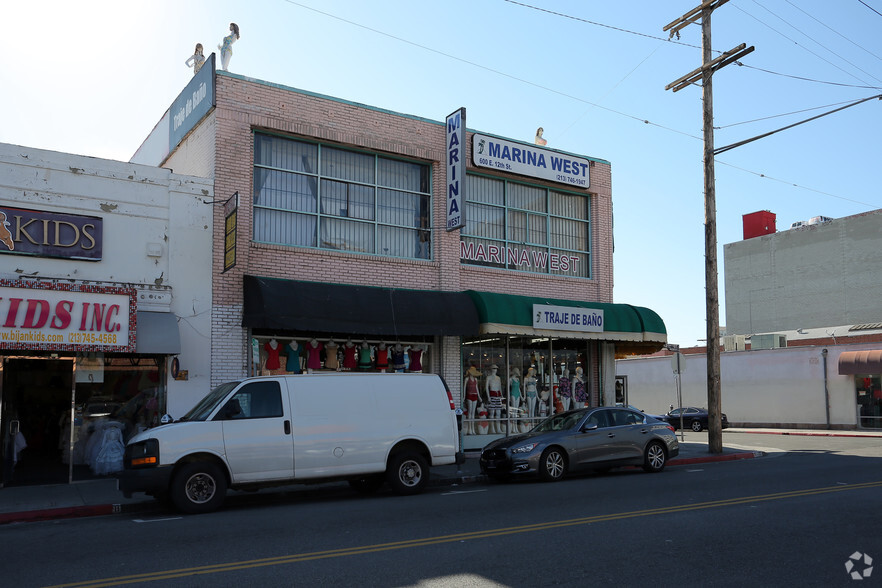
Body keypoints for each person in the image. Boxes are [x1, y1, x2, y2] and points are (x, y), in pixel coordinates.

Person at [463, 366, 481, 435]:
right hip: (469, 395)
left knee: (473, 413)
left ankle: (473, 429)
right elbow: (464, 388)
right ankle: (469, 429)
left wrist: (479, 396)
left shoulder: (476, 379)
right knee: (470, 412)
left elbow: (477, 388)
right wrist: (464, 396)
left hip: (475, 395)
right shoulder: (467, 379)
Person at [485, 365, 503, 434]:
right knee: (492, 412)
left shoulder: (498, 378)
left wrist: (501, 396)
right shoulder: (488, 377)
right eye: (494, 368)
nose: (495, 370)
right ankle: (492, 428)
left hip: (498, 395)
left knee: (498, 412)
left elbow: (500, 387)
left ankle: (498, 428)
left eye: (496, 368)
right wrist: (488, 396)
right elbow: (486, 387)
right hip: (492, 395)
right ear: (491, 369)